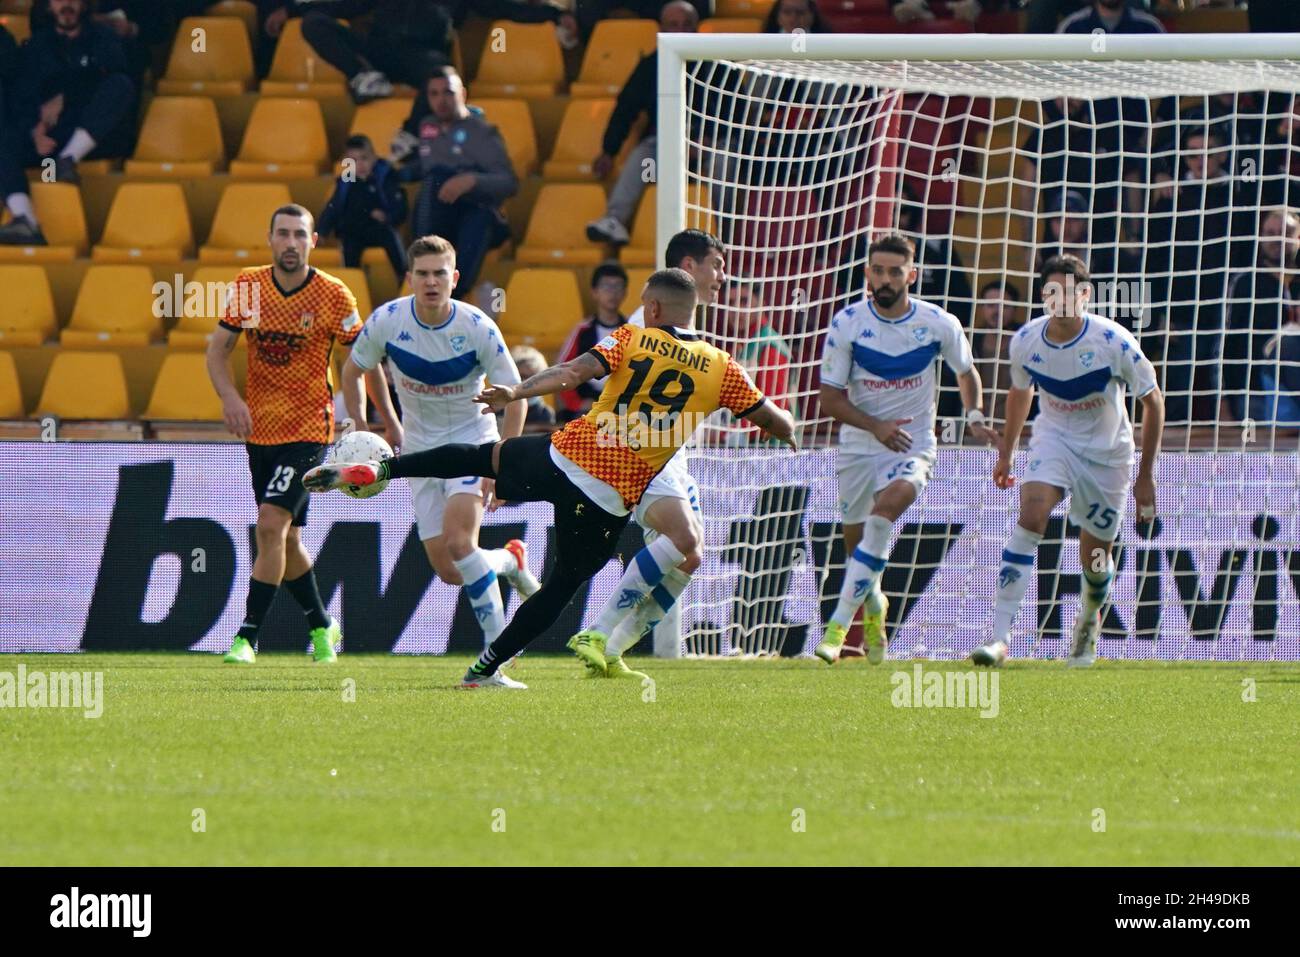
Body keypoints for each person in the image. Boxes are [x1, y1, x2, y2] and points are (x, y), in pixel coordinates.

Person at [305, 268, 796, 689]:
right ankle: (485, 668)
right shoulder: (721, 367)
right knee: (560, 587)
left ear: (652, 306)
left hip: (565, 454)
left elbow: (571, 373)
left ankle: (384, 466)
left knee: (480, 457)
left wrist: (516, 392)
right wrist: (785, 431)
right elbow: (776, 421)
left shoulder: (633, 337)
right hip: (608, 498)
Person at [338, 234, 542, 652]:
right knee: (451, 570)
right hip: (419, 452)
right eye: (423, 274)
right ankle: (510, 561)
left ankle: (495, 657)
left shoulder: (477, 326)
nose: (431, 282)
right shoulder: (388, 321)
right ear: (409, 278)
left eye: (440, 274)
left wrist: (503, 460)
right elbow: (354, 369)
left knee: (460, 542)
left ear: (455, 278)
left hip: (472, 445)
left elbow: (515, 393)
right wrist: (369, 426)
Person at [206, 204, 389, 665]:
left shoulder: (333, 294)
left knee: (269, 526)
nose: (291, 243)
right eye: (283, 234)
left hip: (309, 429)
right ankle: (323, 626)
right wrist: (230, 398)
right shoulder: (249, 286)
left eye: (299, 235)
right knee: (285, 541)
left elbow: (363, 360)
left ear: (313, 241)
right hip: (259, 430)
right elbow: (217, 350)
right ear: (270, 239)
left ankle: (247, 638)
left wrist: (371, 421)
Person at [970, 254, 1163, 668]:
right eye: (1052, 292)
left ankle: (1089, 619)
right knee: (1033, 512)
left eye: (1070, 292)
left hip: (1107, 453)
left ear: (1085, 295)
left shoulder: (1112, 341)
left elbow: (1154, 401)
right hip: (1054, 439)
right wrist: (1007, 450)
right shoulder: (1025, 340)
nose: (1060, 300)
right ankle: (1000, 639)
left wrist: (1146, 476)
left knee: (1094, 558)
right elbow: (1020, 393)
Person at [814, 232, 992, 665]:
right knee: (857, 546)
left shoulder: (937, 323)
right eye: (879, 271)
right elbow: (829, 398)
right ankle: (875, 607)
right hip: (860, 444)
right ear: (867, 274)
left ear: (912, 274)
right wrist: (875, 426)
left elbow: (966, 373)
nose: (886, 279)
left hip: (912, 444)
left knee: (883, 515)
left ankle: (837, 627)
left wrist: (974, 415)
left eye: (896, 271)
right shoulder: (847, 324)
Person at [564, 229, 727, 679]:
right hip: (644, 453)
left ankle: (611, 651)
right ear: (689, 268)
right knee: (684, 540)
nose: (722, 275)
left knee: (690, 556)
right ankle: (597, 632)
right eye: (716, 264)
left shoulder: (673, 324)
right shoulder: (647, 324)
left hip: (670, 453)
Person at [0, 0, 136, 245]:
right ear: (48, 6)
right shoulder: (37, 46)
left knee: (120, 86)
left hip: (91, 138)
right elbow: (22, 97)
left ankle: (68, 160)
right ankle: (24, 218)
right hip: (49, 140)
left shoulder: (103, 38)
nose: (67, 5)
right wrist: (35, 131)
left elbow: (116, 78)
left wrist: (66, 97)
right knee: (4, 138)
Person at [584, 1, 700, 246]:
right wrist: (609, 150)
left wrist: (706, 140)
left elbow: (739, 111)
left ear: (696, 28)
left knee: (725, 163)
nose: (680, 32)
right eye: (673, 25)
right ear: (662, 30)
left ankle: (726, 226)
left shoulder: (717, 65)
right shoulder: (650, 66)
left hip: (712, 145)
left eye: (686, 25)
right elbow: (626, 108)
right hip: (665, 143)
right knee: (643, 154)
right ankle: (614, 220)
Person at [402, 66, 516, 300]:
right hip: (441, 212)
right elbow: (425, 167)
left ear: (462, 94)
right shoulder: (428, 127)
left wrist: (471, 181)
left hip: (477, 212)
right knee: (432, 181)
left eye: (448, 92)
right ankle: (423, 264)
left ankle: (455, 291)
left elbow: (509, 182)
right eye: (434, 94)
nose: (441, 100)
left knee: (478, 217)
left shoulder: (482, 132)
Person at [1221, 207, 1300, 424]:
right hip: (1253, 391)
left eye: (1285, 231)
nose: (1276, 238)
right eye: (1270, 232)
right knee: (1258, 457)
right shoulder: (1244, 282)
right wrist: (1225, 399)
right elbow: (1227, 341)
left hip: (1296, 390)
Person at [318, 134, 408, 281]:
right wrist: (322, 232)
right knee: (349, 250)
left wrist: (388, 217)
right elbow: (333, 207)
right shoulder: (346, 181)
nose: (359, 165)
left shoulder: (385, 176)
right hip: (352, 231)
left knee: (391, 238)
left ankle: (404, 278)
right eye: (353, 161)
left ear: (374, 157)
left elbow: (400, 205)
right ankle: (352, 285)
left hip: (378, 228)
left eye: (364, 158)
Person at [556, 261, 627, 422]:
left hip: (622, 407)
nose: (613, 293)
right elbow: (563, 370)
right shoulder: (582, 331)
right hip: (586, 407)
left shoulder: (632, 330)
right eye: (607, 286)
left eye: (618, 287)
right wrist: (578, 404)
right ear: (594, 292)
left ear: (625, 292)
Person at [508, 345, 558, 428]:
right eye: (521, 377)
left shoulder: (545, 413)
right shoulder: (499, 409)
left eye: (531, 378)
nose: (525, 383)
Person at [762, 0, 833, 33]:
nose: (793, 18)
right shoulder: (763, 43)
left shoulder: (826, 42)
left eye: (800, 12)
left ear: (812, 15)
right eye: (787, 12)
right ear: (777, 16)